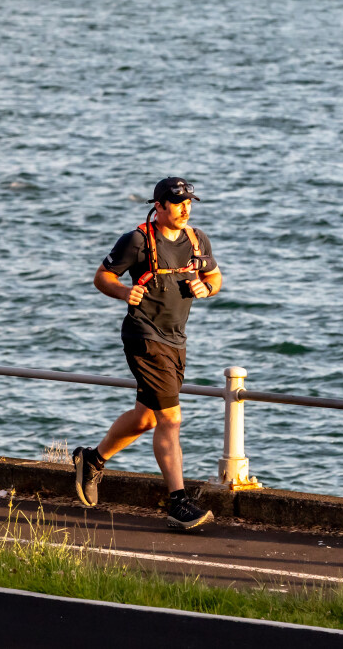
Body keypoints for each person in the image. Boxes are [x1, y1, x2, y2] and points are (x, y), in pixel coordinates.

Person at [73, 177, 222, 530]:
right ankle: (177, 503)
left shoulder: (197, 239)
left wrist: (206, 288)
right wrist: (124, 292)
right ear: (159, 206)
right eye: (178, 203)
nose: (186, 209)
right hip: (144, 337)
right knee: (171, 419)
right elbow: (102, 276)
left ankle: (92, 460)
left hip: (176, 339)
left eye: (189, 203)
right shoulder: (138, 241)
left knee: (146, 418)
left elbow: (215, 278)